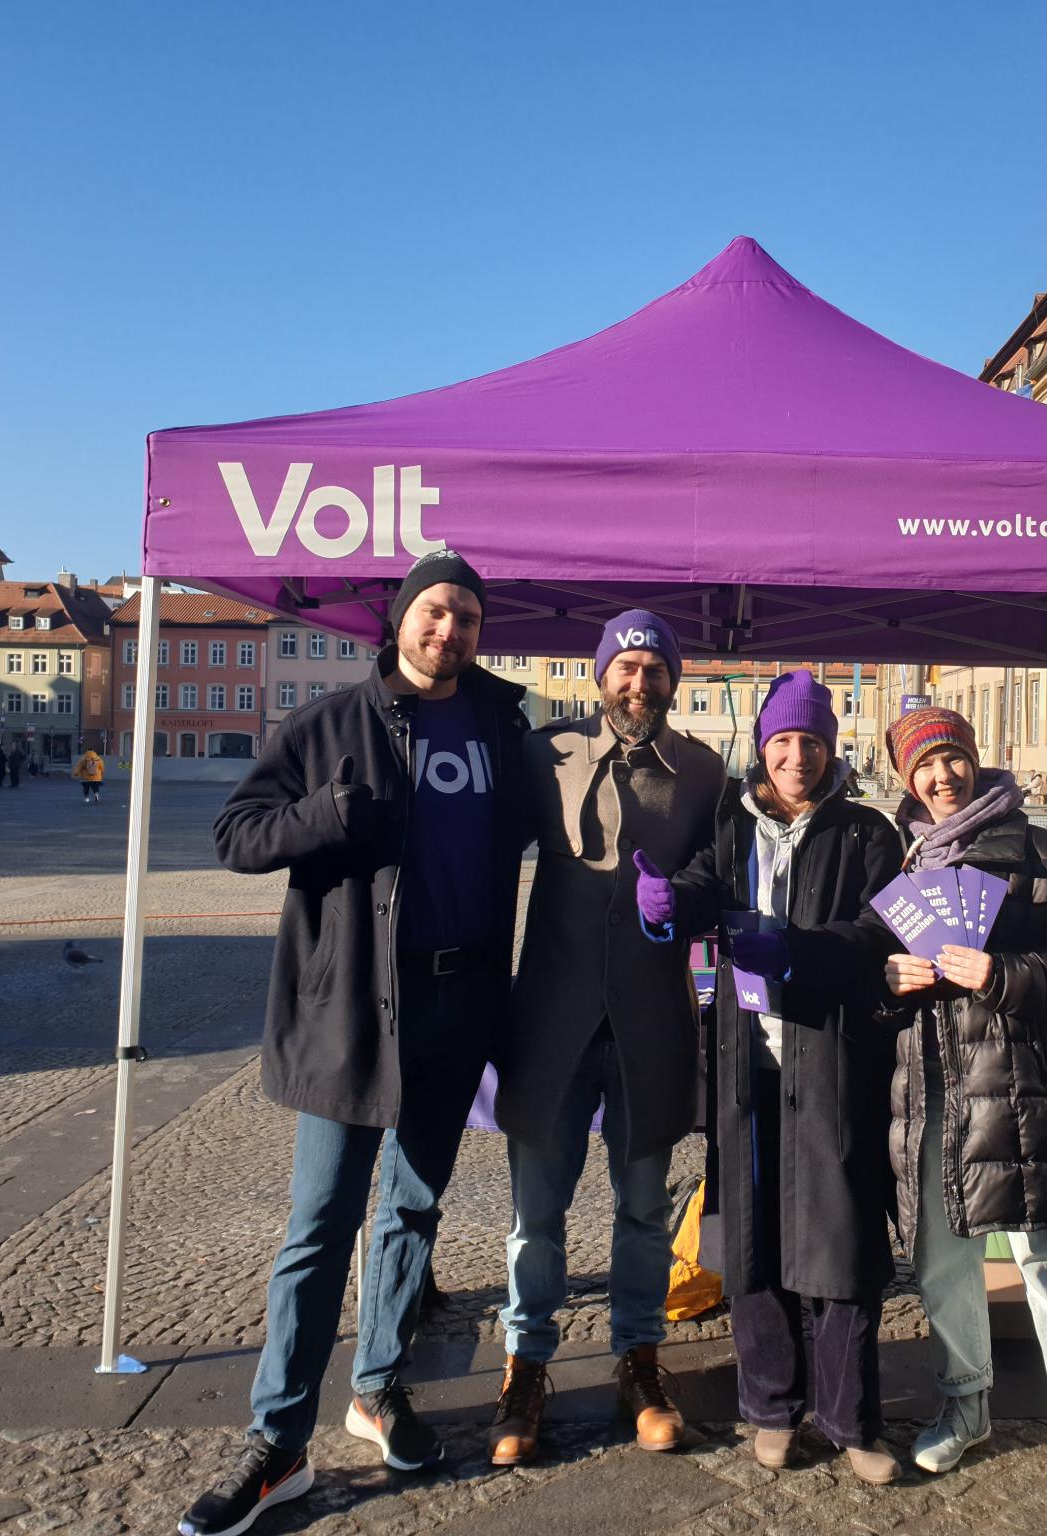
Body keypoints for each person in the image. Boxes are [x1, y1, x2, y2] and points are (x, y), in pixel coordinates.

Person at [179, 551, 532, 1536]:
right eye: (433, 611)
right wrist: (322, 818)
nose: (448, 629)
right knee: (319, 1228)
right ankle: (277, 1442)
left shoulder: (501, 725)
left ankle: (377, 1388)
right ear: (400, 621)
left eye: (464, 615)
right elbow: (235, 835)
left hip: (461, 1004)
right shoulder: (329, 723)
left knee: (413, 1211)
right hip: (356, 1014)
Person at [878, 707, 1047, 1520]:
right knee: (942, 1262)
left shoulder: (1040, 854)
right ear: (906, 777)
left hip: (1020, 1092)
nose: (943, 777)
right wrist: (885, 982)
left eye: (954, 760)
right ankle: (966, 1401)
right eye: (926, 766)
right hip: (926, 1093)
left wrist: (1003, 974)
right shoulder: (895, 861)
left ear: (976, 762)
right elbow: (867, 968)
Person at [640, 671, 904, 1485]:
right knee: (754, 1239)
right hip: (746, 1060)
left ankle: (851, 1418)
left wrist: (798, 950)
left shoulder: (867, 833)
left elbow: (879, 933)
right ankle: (771, 1407)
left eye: (812, 741)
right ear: (763, 747)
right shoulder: (732, 819)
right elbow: (703, 890)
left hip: (832, 1054)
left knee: (843, 1241)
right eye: (784, 741)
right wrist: (665, 904)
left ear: (831, 748)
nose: (797, 756)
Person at [491, 610, 727, 1466]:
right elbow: (478, 846)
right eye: (625, 667)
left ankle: (638, 1360)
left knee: (640, 1211)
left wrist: (687, 897)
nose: (639, 683)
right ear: (600, 676)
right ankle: (527, 1367)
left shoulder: (702, 773)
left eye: (654, 671)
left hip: (648, 1023)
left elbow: (721, 872)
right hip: (551, 1020)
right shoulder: (543, 755)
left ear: (673, 681)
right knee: (535, 1217)